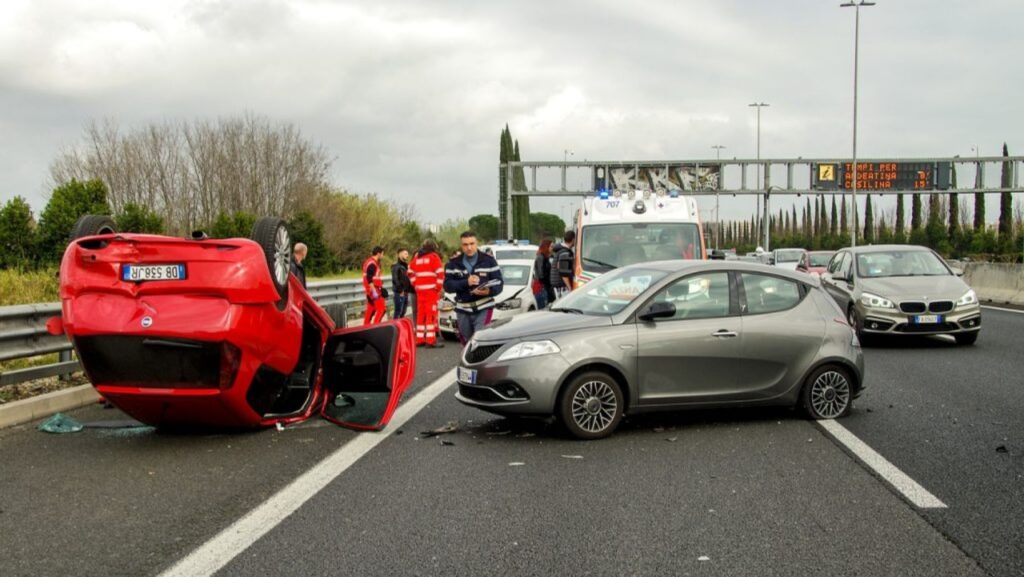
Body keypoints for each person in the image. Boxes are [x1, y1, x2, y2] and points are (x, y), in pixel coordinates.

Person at [444, 230, 503, 343]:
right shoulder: (453, 263)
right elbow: (447, 286)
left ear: (477, 243)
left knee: (479, 339)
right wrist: (466, 282)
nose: (469, 247)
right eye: (465, 244)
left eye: (472, 244)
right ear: (461, 246)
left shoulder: (489, 261)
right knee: (466, 341)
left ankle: (481, 360)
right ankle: (468, 360)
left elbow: (499, 283)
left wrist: (489, 291)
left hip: (483, 307)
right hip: (462, 309)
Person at [408, 239, 445, 347]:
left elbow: (410, 271)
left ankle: (419, 339)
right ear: (433, 247)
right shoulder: (434, 257)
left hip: (420, 291)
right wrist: (438, 287)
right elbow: (440, 273)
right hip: (431, 292)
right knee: (431, 315)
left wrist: (415, 284)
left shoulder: (417, 257)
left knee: (421, 315)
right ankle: (430, 340)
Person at [361, 245, 387, 325]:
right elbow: (369, 278)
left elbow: (374, 277)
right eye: (382, 254)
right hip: (373, 290)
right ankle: (376, 326)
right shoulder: (372, 264)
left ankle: (366, 327)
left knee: (371, 309)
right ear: (378, 254)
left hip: (371, 289)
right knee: (381, 309)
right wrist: (374, 291)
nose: (383, 256)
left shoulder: (371, 262)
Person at [549, 230, 576, 300]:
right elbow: (564, 273)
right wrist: (570, 288)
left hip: (558, 286)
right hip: (562, 287)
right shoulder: (565, 253)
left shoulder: (560, 251)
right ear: (573, 239)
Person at [390, 248, 413, 319]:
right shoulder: (395, 266)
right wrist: (400, 290)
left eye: (407, 254)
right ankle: (394, 328)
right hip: (399, 292)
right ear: (400, 254)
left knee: (403, 311)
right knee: (398, 312)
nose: (407, 255)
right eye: (405, 254)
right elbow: (395, 279)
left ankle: (400, 327)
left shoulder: (406, 266)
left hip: (405, 292)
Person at [532, 239, 554, 309]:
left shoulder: (545, 257)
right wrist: (549, 283)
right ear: (546, 247)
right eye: (551, 246)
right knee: (543, 309)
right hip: (541, 287)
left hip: (545, 287)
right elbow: (541, 275)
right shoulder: (540, 257)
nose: (552, 248)